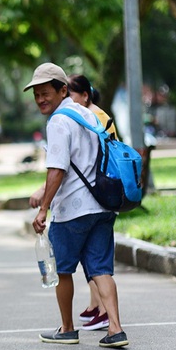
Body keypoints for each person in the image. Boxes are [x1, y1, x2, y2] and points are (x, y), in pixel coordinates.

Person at [25, 62, 128, 348]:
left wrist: (43, 207)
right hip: (102, 204)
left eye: (46, 93)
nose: (41, 99)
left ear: (62, 90)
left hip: (73, 209)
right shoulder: (88, 114)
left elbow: (57, 169)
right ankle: (115, 329)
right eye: (36, 95)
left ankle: (68, 328)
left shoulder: (59, 121)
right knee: (100, 269)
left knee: (63, 270)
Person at [67, 73, 119, 331]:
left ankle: (102, 311)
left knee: (94, 260)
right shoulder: (95, 113)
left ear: (84, 96)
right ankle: (97, 307)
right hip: (100, 192)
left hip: (96, 193)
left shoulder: (91, 116)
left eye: (70, 94)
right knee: (94, 259)